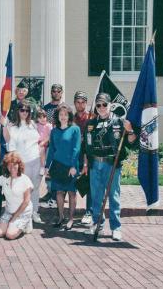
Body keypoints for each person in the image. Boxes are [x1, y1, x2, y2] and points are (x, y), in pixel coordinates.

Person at [84, 93, 136, 241]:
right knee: (96, 196)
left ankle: (116, 227)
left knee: (113, 195)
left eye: (104, 105)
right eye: (98, 105)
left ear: (110, 105)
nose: (101, 108)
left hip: (111, 164)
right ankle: (97, 223)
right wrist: (87, 163)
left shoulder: (119, 122)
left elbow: (132, 141)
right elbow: (86, 146)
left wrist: (130, 129)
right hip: (95, 163)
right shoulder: (91, 124)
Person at [3, 100, 42, 223]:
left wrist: (42, 163)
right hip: (23, 163)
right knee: (22, 190)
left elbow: (41, 142)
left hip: (35, 160)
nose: (25, 112)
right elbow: (11, 146)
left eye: (27, 110)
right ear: (18, 111)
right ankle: (22, 213)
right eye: (22, 110)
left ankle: (34, 211)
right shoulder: (13, 127)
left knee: (35, 188)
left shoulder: (34, 125)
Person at [44, 103, 81, 230]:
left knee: (71, 192)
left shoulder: (75, 129)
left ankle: (71, 219)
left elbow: (77, 149)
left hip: (71, 166)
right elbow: (52, 149)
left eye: (66, 114)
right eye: (61, 114)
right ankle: (61, 217)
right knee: (59, 192)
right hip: (57, 166)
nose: (63, 117)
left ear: (69, 116)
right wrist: (46, 166)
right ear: (57, 116)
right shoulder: (54, 131)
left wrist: (72, 166)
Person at [0, 152, 34, 240]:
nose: (12, 167)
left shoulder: (25, 180)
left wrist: (14, 217)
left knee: (9, 235)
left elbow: (26, 202)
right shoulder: (3, 178)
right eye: (9, 165)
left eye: (14, 165)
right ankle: (11, 224)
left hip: (22, 212)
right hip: (9, 211)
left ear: (19, 165)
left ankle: (27, 222)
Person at [73, 91, 93, 225]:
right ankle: (70, 213)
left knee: (89, 184)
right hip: (73, 156)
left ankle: (89, 212)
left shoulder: (91, 118)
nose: (80, 105)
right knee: (71, 184)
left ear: (86, 103)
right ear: (74, 103)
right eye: (78, 102)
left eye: (83, 102)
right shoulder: (70, 118)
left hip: (87, 155)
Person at [36, 109, 52, 177]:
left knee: (42, 149)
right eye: (40, 117)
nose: (42, 119)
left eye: (44, 117)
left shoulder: (48, 125)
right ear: (37, 119)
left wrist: (43, 142)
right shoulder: (36, 125)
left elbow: (50, 136)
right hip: (37, 143)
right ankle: (39, 167)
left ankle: (43, 166)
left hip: (45, 143)